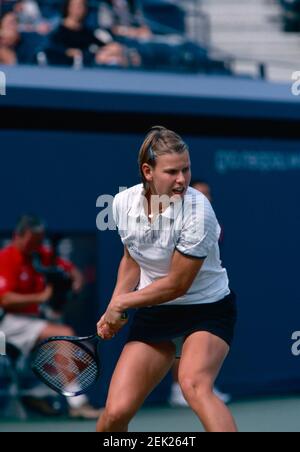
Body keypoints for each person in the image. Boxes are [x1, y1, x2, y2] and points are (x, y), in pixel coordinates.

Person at [96, 126, 238, 432]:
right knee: (115, 414)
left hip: (207, 308)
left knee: (194, 384)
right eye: (172, 171)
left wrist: (123, 302)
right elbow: (131, 259)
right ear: (147, 171)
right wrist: (112, 308)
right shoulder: (123, 203)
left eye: (186, 169)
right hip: (155, 312)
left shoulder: (199, 211)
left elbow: (177, 284)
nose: (182, 180)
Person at [0, 214, 101, 419]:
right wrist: (41, 297)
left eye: (38, 241)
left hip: (32, 321)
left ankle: (34, 393)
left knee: (75, 348)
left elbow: (74, 272)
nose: (35, 245)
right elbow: (5, 300)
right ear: (17, 236)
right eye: (31, 241)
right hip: (7, 322)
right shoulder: (6, 258)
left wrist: (75, 283)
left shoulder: (40, 254)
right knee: (63, 334)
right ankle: (77, 404)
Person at [169, 179, 231, 407]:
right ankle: (177, 389)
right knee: (179, 341)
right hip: (175, 294)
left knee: (195, 343)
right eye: (199, 193)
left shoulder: (211, 223)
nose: (203, 197)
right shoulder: (175, 220)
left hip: (203, 295)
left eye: (207, 194)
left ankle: (199, 385)